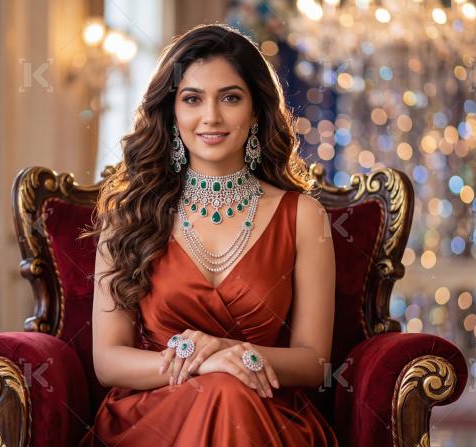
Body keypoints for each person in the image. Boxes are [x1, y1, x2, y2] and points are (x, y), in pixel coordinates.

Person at [79, 23, 338, 446]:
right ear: (172, 110)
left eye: (230, 98)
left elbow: (316, 361)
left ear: (256, 110)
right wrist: (205, 364)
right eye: (192, 99)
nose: (211, 117)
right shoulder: (128, 213)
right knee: (221, 389)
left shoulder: (303, 216)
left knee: (230, 394)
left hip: (264, 412)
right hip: (153, 414)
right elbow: (108, 360)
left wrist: (227, 352)